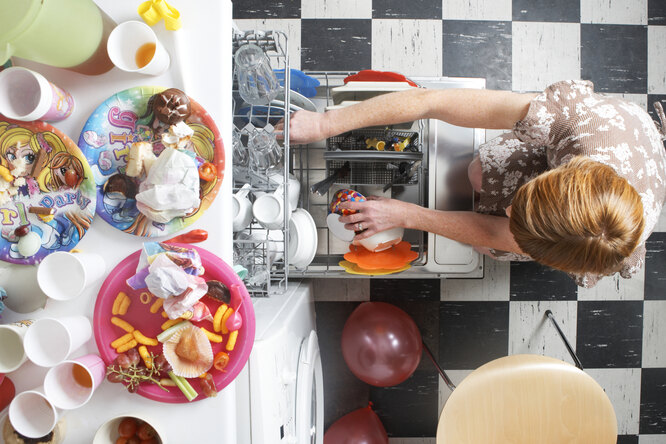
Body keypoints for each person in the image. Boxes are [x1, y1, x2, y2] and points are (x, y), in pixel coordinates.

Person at [276, 80, 666, 287]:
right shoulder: (574, 120)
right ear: (561, 171)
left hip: (625, 178)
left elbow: (505, 232)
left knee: (484, 242)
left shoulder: (608, 247)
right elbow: (430, 101)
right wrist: (324, 124)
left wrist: (406, 213)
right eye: (524, 203)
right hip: (609, 136)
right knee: (477, 172)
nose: (510, 209)